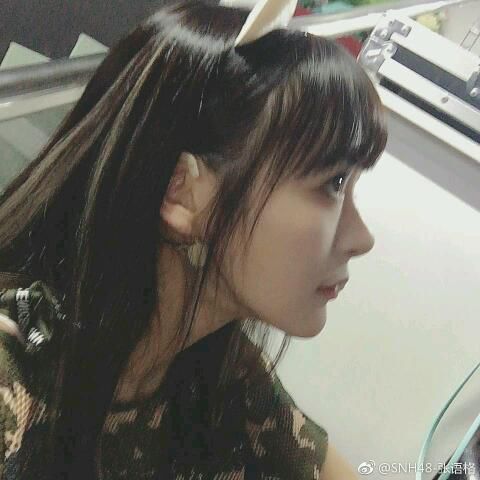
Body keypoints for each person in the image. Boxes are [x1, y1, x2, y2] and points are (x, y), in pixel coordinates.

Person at [0, 0, 387, 478]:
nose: (362, 238)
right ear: (182, 192)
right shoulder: (14, 376)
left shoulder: (221, 368)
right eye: (333, 183)